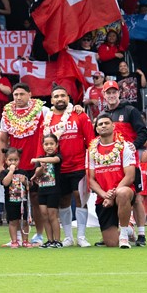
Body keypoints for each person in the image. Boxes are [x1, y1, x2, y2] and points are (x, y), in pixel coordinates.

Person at [0, 83, 47, 245]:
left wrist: (42, 160)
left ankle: (39, 234)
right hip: (15, 164)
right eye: (15, 94)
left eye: (22, 94)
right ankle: (17, 238)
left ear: (30, 94)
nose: (18, 97)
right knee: (15, 201)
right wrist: (0, 164)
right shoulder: (7, 113)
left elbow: (62, 114)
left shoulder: (42, 110)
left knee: (36, 199)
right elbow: (2, 139)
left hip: (37, 162)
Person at [44, 87, 94, 248]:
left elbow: (91, 140)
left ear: (68, 98)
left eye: (62, 96)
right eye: (56, 96)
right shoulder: (47, 119)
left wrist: (92, 165)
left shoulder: (79, 114)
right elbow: (42, 143)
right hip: (57, 168)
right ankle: (68, 237)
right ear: (51, 101)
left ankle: (81, 236)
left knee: (80, 198)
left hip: (78, 164)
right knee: (63, 200)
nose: (59, 99)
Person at [101, 80, 147, 245]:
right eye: (108, 92)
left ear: (119, 94)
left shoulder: (130, 110)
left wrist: (133, 147)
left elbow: (143, 132)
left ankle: (141, 234)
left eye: (114, 92)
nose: (112, 95)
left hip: (130, 162)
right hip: (110, 164)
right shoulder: (104, 114)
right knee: (113, 195)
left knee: (136, 198)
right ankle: (119, 232)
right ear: (104, 95)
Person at [87, 113, 136, 248]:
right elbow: (90, 180)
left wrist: (112, 195)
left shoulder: (125, 146)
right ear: (96, 129)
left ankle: (125, 235)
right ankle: (129, 230)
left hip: (122, 192)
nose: (103, 126)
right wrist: (104, 195)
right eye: (100, 124)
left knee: (123, 192)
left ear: (113, 126)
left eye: (106, 123)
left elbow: (130, 176)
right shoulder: (91, 150)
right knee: (112, 243)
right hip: (104, 198)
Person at [31, 134, 62, 248]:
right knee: (44, 215)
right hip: (42, 190)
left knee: (52, 215)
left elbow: (54, 160)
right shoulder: (40, 159)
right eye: (46, 144)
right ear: (43, 146)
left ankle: (57, 241)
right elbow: (37, 173)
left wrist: (39, 159)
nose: (49, 146)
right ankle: (49, 240)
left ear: (56, 145)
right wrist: (40, 167)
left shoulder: (58, 156)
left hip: (54, 190)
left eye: (51, 144)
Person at [0, 148, 31, 248]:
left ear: (19, 160)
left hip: (23, 201)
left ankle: (25, 240)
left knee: (24, 221)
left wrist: (25, 181)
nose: (13, 162)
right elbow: (5, 183)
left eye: (15, 160)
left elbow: (29, 186)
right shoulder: (4, 172)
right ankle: (14, 241)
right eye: (10, 160)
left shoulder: (23, 172)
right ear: (6, 160)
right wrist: (11, 171)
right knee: (13, 221)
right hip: (10, 201)